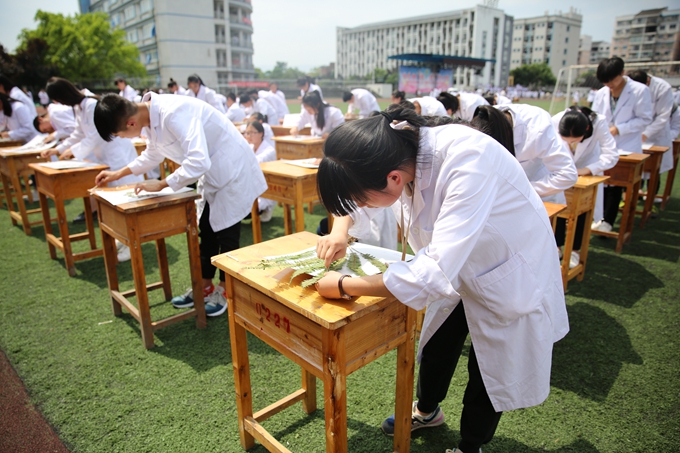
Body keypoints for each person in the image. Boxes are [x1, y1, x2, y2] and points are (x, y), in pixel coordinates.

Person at [314, 107, 568, 453]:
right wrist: (340, 230)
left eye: (361, 199)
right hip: (460, 269)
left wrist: (344, 285)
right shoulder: (398, 151)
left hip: (506, 272)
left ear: (393, 179)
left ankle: (470, 445)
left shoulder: (468, 158)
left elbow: (430, 273)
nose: (360, 206)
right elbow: (356, 196)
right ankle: (428, 411)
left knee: (487, 372)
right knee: (435, 348)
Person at [92, 91, 267, 317]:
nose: (125, 139)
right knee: (206, 230)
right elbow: (152, 155)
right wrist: (118, 174)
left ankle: (225, 291)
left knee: (227, 235)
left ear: (130, 122)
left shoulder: (174, 112)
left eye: (121, 135)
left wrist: (163, 183)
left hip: (233, 171)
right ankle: (204, 287)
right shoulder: (149, 119)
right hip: (213, 173)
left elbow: (198, 160)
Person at [42, 78, 142, 258]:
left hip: (117, 154)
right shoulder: (79, 107)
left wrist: (73, 151)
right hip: (105, 156)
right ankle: (125, 238)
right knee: (114, 200)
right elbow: (78, 133)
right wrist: (59, 149)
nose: (59, 104)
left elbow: (94, 136)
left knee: (126, 198)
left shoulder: (90, 105)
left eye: (59, 99)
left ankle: (132, 243)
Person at [591, 57, 652, 232]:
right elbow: (595, 116)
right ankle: (600, 217)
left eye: (613, 80)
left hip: (627, 144)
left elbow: (645, 118)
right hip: (604, 144)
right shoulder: (602, 93)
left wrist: (620, 129)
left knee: (616, 183)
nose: (610, 85)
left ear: (622, 73)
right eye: (606, 81)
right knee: (602, 181)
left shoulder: (640, 91)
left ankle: (608, 220)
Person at [552, 106, 619, 268]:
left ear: (587, 129)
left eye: (575, 140)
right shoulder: (556, 120)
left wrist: (587, 170)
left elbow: (611, 154)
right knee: (559, 207)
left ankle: (575, 250)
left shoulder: (599, 123)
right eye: (567, 140)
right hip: (562, 170)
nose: (571, 143)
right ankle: (557, 246)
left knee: (581, 210)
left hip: (587, 171)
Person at [473, 104, 578, 204]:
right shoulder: (484, 121)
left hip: (539, 188)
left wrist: (524, 190)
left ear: (508, 135)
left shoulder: (538, 128)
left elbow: (568, 174)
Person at [628, 70, 674, 202]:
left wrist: (646, 133)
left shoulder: (662, 88)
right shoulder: (631, 87)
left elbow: (663, 116)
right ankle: (629, 199)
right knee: (635, 169)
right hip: (636, 132)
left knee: (654, 171)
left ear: (647, 81)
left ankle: (650, 199)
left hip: (656, 135)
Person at [244, 120, 276, 222]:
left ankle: (267, 208)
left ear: (261, 133)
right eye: (247, 133)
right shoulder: (250, 147)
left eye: (252, 132)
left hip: (266, 190)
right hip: (251, 187)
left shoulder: (269, 150)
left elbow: (254, 162)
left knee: (245, 211)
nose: (249, 135)